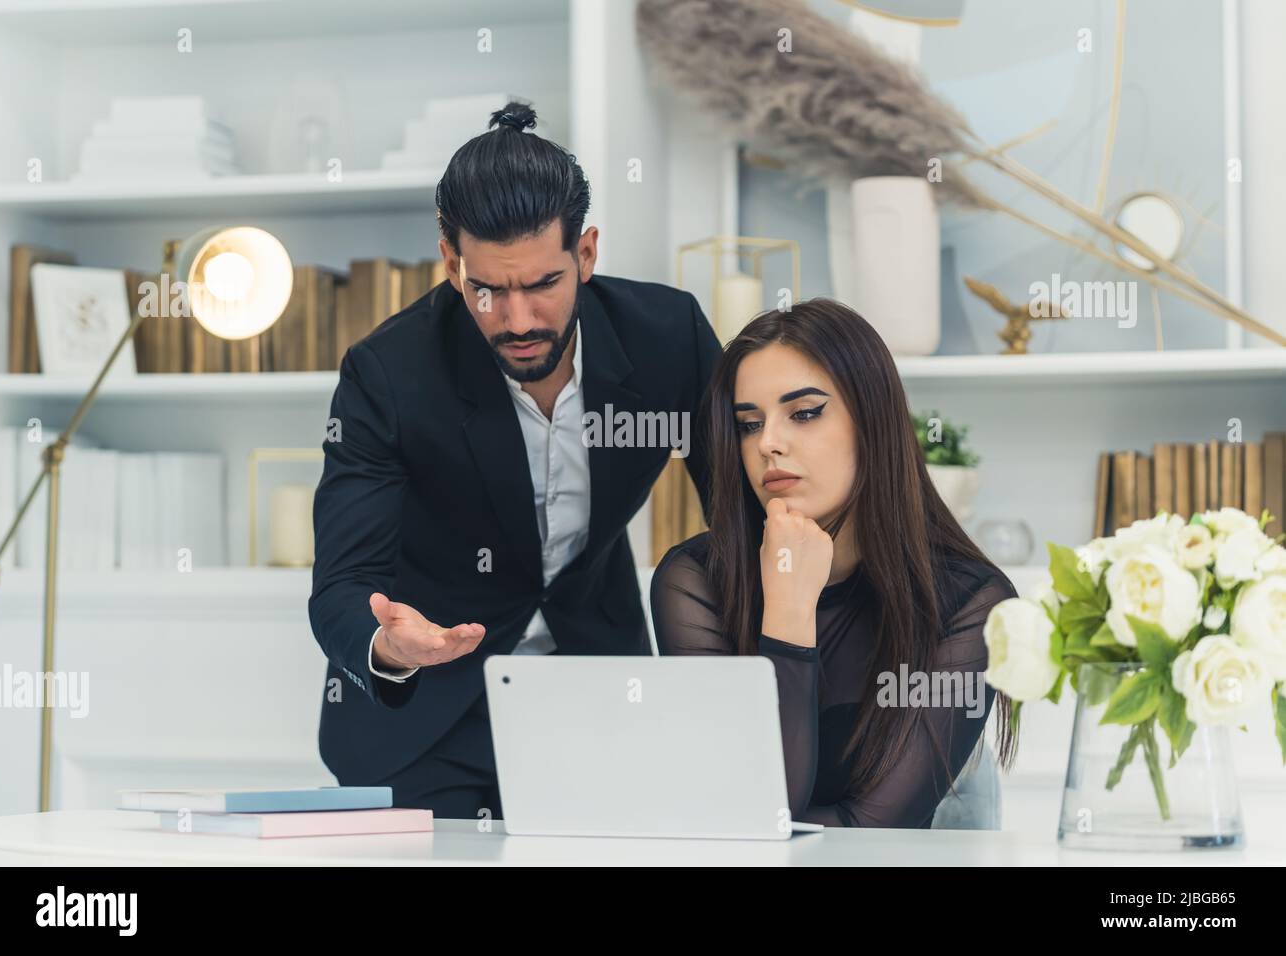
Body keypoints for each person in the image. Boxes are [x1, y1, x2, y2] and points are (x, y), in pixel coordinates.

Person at [309, 101, 720, 817]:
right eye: (487, 290)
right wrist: (390, 644)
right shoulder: (388, 373)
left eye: (542, 285)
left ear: (585, 254)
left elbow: (741, 510)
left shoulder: (668, 338)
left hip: (598, 687)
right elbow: (342, 584)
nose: (519, 320)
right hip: (427, 720)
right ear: (450, 261)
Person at [650, 298, 1019, 828]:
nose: (768, 444)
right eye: (749, 424)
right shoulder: (696, 579)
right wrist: (788, 613)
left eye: (804, 413)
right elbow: (741, 811)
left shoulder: (970, 601)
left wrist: (792, 610)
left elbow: (876, 834)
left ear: (873, 421)